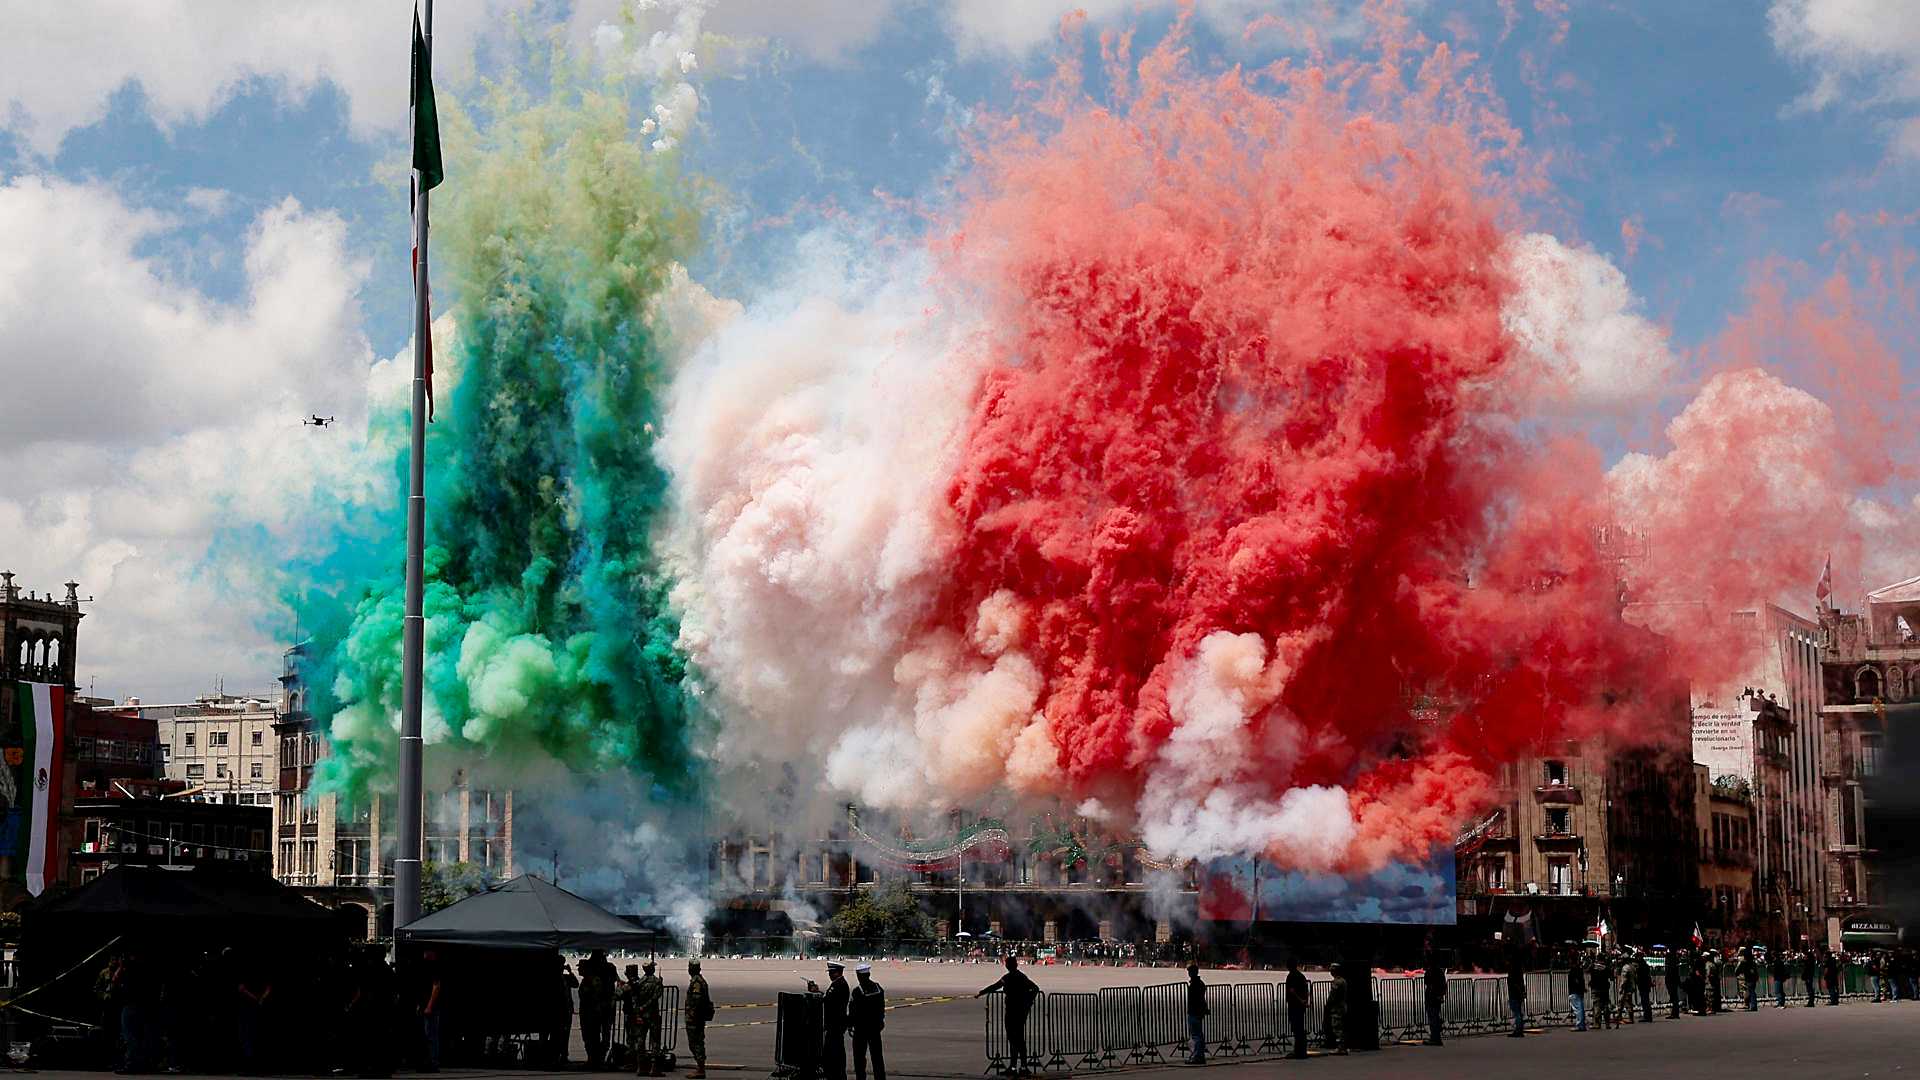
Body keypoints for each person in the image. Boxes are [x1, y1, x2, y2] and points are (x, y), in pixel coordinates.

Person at [976, 956, 1040, 1077]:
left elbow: (995, 986)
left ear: (1008, 965)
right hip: (1021, 1012)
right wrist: (1028, 1002)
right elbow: (1035, 988)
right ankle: (1022, 1066)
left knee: (1013, 1039)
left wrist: (981, 992)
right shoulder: (1022, 977)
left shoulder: (1008, 977)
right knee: (1020, 1039)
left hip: (1012, 1011)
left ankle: (1014, 1066)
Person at [578, 949, 617, 1069]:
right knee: (602, 1034)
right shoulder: (609, 970)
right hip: (605, 1008)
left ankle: (594, 1059)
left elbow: (593, 994)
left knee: (591, 1035)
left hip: (592, 1009)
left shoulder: (593, 977)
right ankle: (599, 1059)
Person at [626, 961, 664, 1077]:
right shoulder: (656, 982)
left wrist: (639, 1009)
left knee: (640, 1040)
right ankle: (654, 1067)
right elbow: (655, 997)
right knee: (655, 1041)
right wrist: (645, 1007)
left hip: (642, 1015)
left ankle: (641, 1067)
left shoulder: (639, 982)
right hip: (652, 1015)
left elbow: (635, 997)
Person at [850, 964, 887, 1080]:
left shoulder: (857, 991)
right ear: (869, 974)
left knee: (859, 1058)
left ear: (858, 976)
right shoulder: (878, 988)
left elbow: (853, 1011)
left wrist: (850, 1026)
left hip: (861, 1029)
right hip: (875, 1028)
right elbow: (882, 1007)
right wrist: (881, 1021)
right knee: (877, 1057)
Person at [684, 960, 713, 1080]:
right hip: (697, 1017)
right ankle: (700, 1067)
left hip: (695, 1018)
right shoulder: (699, 981)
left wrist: (691, 1014)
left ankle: (700, 1069)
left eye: (690, 967)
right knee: (697, 1042)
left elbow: (696, 1000)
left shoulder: (696, 982)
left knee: (695, 1043)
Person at [416, 951, 443, 1073]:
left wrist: (429, 1005)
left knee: (430, 1035)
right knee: (428, 1035)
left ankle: (433, 1062)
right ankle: (429, 1061)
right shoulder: (428, 967)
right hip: (426, 1005)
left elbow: (436, 986)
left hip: (430, 1006)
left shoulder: (433, 967)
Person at [822, 961, 850, 1080]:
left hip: (835, 1024)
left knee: (834, 1052)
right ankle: (835, 1074)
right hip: (834, 1025)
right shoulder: (837, 984)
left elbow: (830, 1002)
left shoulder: (840, 985)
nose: (829, 975)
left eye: (832, 972)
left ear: (838, 972)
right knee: (832, 1052)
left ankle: (836, 1075)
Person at [552, 955, 579, 1065]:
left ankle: (563, 1055)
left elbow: (575, 984)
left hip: (566, 1010)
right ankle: (557, 1055)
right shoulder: (556, 978)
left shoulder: (565, 978)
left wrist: (570, 972)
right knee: (558, 1034)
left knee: (564, 1034)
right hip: (560, 1010)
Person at [1283, 958, 1310, 1059]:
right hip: (1301, 1005)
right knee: (1300, 1028)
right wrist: (1305, 1001)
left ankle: (1298, 1051)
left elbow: (1292, 991)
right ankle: (1302, 1051)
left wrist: (1300, 1000)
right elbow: (1306, 989)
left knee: (1296, 1028)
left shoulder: (1292, 976)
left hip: (1294, 1005)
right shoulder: (1301, 976)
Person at [1422, 945, 1447, 1046]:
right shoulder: (1439, 971)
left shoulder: (1432, 971)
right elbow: (1443, 985)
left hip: (1432, 996)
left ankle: (1435, 1038)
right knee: (1435, 1016)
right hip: (1436, 996)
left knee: (1433, 1017)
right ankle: (1435, 1037)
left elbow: (1426, 981)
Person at [1184, 963, 1209, 1064]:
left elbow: (1195, 999)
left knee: (1196, 1035)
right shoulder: (1200, 983)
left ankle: (1198, 1056)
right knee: (1199, 1034)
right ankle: (1199, 1054)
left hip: (1194, 1012)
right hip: (1198, 1011)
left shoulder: (1194, 984)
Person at [1324, 963, 1349, 1055]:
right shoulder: (1343, 980)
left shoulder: (1337, 982)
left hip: (1337, 1008)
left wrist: (1328, 1004)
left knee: (1337, 1028)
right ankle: (1343, 1047)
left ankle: (1340, 1048)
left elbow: (1332, 996)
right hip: (1342, 1006)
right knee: (1341, 1027)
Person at [1506, 949, 1527, 1038]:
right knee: (1519, 1012)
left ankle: (1518, 1030)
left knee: (1517, 1013)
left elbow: (1514, 983)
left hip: (1514, 994)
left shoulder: (1512, 971)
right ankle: (1519, 1029)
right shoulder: (1519, 971)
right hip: (1518, 993)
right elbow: (1521, 983)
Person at [1591, 953, 1614, 1029]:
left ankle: (1597, 1023)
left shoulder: (1594, 967)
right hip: (1605, 988)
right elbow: (1611, 977)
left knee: (1597, 1005)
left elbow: (1589, 972)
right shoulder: (1606, 968)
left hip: (1596, 988)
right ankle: (1607, 1023)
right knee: (1606, 1006)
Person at [1567, 951, 1588, 1031]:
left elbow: (1576, 980)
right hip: (1579, 991)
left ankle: (1580, 1025)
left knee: (1577, 1008)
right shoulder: (1579, 969)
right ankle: (1581, 1024)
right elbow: (1581, 980)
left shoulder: (1573, 970)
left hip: (1574, 991)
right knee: (1580, 1008)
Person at [1737, 948, 1759, 1012]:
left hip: (1749, 978)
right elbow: (1755, 971)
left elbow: (1739, 969)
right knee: (1751, 991)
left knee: (1751, 992)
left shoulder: (1745, 963)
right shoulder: (1753, 962)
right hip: (1752, 978)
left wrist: (1738, 973)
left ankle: (1753, 1005)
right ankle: (1752, 1005)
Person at [1664, 948, 1683, 1018]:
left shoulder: (1670, 964)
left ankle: (1674, 1013)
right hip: (1673, 981)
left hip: (1671, 981)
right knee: (1675, 997)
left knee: (1674, 997)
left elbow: (1670, 973)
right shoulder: (1675, 962)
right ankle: (1675, 1013)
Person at [1635, 952, 1654, 1023]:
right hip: (1646, 985)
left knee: (1645, 1001)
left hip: (1643, 985)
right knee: (1646, 1000)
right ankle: (1648, 1016)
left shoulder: (1641, 966)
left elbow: (1640, 977)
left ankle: (1647, 1016)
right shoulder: (1645, 965)